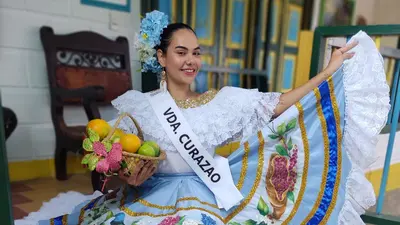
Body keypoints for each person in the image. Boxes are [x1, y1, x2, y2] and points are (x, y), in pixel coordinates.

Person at [16, 10, 390, 225]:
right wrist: (123, 174)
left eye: (196, 52)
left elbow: (279, 104)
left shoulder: (222, 100)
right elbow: (111, 160)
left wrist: (328, 72)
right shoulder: (141, 106)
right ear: (161, 58)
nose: (191, 60)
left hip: (206, 191)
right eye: (181, 52)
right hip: (150, 195)